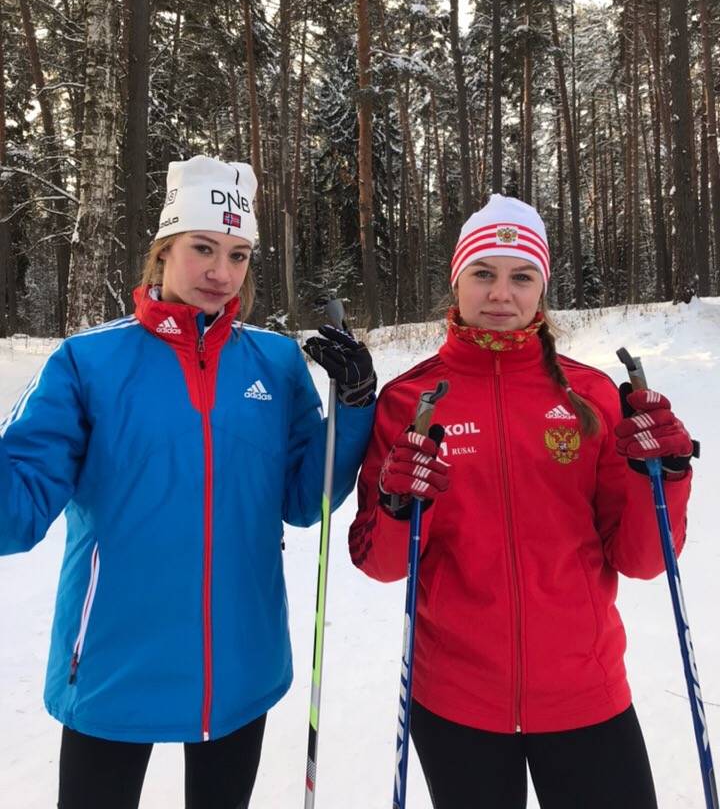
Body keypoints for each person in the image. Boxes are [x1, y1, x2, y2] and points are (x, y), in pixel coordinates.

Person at [0, 155, 376, 809]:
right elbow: (17, 508)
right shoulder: (88, 362)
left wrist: (355, 405)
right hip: (114, 662)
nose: (221, 273)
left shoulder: (275, 362)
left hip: (240, 662)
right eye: (203, 248)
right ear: (164, 250)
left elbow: (304, 499)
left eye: (238, 255)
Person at [349, 193, 697, 809]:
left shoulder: (589, 395)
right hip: (456, 699)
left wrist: (665, 476)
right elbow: (382, 565)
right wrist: (401, 505)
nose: (500, 294)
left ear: (542, 289)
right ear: (456, 281)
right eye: (483, 273)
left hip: (584, 690)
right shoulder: (410, 400)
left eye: (521, 277)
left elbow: (643, 560)